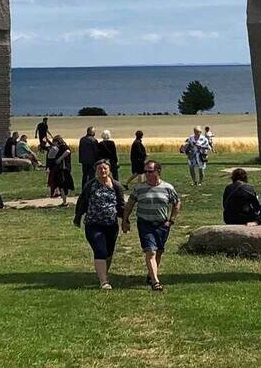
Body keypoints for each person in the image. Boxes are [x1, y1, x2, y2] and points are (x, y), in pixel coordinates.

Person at [123, 160, 181, 292]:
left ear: (157, 172)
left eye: (150, 171)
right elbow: (129, 205)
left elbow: (177, 203)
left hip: (162, 224)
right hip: (145, 224)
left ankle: (151, 275)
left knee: (159, 251)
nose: (147, 174)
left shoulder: (168, 188)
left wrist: (171, 220)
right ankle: (155, 282)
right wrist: (125, 220)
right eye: (145, 171)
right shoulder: (139, 188)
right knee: (151, 251)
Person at [74, 158, 125, 290]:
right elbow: (82, 201)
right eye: (99, 169)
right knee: (100, 250)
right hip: (93, 224)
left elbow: (121, 205)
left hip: (111, 225)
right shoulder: (90, 185)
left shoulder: (116, 185)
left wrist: (125, 220)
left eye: (105, 168)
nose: (102, 171)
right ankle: (103, 282)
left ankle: (103, 274)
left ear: (109, 170)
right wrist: (78, 217)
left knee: (108, 251)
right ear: (95, 171)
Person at [79, 124, 100, 193]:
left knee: (84, 175)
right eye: (94, 131)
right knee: (92, 176)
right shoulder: (94, 140)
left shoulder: (82, 139)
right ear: (92, 132)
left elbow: (80, 150)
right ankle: (91, 189)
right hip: (92, 161)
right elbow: (96, 151)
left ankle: (84, 189)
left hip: (84, 161)